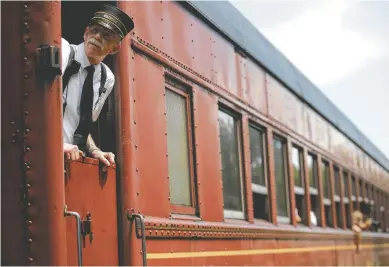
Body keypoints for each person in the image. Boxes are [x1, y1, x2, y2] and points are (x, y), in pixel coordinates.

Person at [62, 4, 134, 166]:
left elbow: (82, 125)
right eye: (94, 30)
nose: (97, 37)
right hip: (46, 152)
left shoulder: (106, 78)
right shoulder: (64, 51)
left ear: (115, 48)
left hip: (72, 162)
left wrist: (94, 150)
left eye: (107, 35)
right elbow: (32, 103)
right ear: (86, 33)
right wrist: (55, 144)